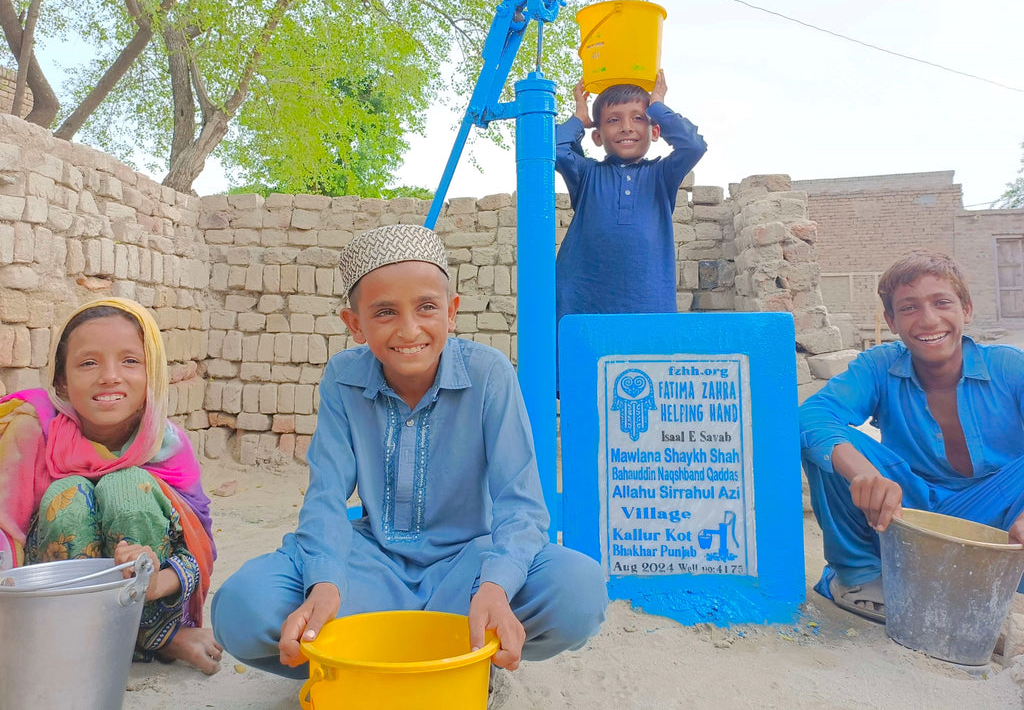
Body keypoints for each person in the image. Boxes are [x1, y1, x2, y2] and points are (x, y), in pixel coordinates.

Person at [211, 224, 608, 677]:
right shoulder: (344, 377)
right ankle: (375, 671)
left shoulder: (489, 374)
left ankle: (463, 657)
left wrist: (495, 586)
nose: (409, 329)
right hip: (370, 566)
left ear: (452, 312)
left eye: (426, 307)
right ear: (354, 324)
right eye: (384, 312)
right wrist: (324, 582)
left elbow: (521, 506)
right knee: (241, 609)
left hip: (468, 567)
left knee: (579, 590)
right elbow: (325, 495)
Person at [0, 297, 222, 673]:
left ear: (153, 374)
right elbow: (5, 534)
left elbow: (199, 550)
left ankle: (155, 636)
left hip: (148, 602)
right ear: (61, 382)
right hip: (54, 606)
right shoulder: (32, 429)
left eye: (130, 361)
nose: (109, 376)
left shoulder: (165, 446)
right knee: (67, 496)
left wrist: (154, 582)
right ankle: (78, 640)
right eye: (88, 363)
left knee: (127, 487)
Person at [800, 251, 1024, 622]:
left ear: (966, 309)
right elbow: (813, 415)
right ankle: (862, 578)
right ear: (891, 321)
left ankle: (984, 585)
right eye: (909, 308)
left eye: (942, 303)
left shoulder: (1008, 367)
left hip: (993, 517)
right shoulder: (881, 365)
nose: (929, 320)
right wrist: (863, 474)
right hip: (906, 513)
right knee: (827, 444)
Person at [555, 70, 707, 325]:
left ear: (655, 131)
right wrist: (579, 118)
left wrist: (657, 105)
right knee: (577, 364)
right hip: (581, 307)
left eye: (638, 118)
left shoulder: (661, 175)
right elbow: (552, 148)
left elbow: (694, 146)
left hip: (649, 307)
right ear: (598, 135)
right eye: (613, 120)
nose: (627, 127)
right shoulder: (586, 173)